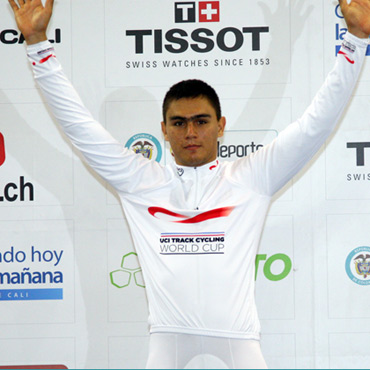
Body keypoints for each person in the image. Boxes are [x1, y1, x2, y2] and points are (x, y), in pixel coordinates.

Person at [8, 0, 370, 368]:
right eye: (179, 123)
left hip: (239, 338)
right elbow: (78, 127)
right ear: (163, 130)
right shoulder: (140, 180)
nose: (191, 132)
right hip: (167, 337)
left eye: (201, 120)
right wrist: (37, 42)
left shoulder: (252, 177)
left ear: (221, 125)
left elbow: (316, 124)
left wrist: (355, 39)